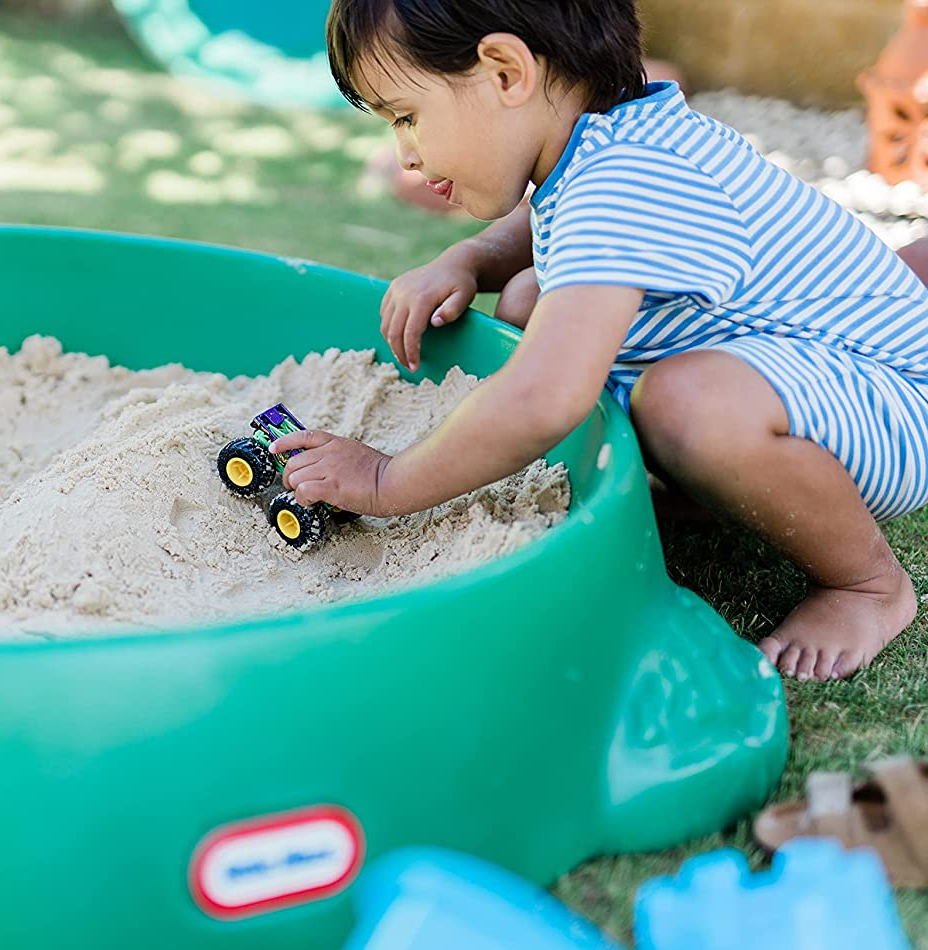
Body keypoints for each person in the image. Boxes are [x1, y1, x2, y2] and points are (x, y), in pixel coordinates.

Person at [272, 0, 928, 681]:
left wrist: (386, 480)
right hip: (798, 371)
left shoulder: (625, 178)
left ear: (505, 71)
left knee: (688, 401)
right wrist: (469, 259)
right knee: (530, 296)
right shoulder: (610, 142)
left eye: (407, 116)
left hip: (893, 404)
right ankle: (700, 478)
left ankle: (869, 586)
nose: (407, 156)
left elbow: (544, 398)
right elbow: (549, 217)